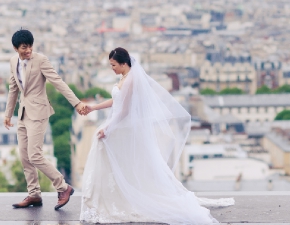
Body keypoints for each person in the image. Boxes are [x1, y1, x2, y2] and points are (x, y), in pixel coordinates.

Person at [80, 47, 234, 224]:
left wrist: (107, 128)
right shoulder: (125, 77)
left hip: (124, 127)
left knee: (114, 157)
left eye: (113, 65)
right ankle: (117, 196)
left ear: (123, 64)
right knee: (119, 161)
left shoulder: (130, 80)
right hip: (121, 125)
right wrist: (94, 107)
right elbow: (117, 102)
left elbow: (124, 110)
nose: (111, 68)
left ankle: (118, 197)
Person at [4, 29, 88, 210]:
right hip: (23, 114)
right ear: (15, 48)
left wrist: (76, 103)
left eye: (30, 47)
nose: (28, 51)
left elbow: (58, 82)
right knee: (25, 157)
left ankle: (63, 187)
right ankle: (34, 194)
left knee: (35, 155)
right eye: (24, 48)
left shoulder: (40, 60)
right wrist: (8, 114)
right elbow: (13, 89)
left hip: (39, 113)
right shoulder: (13, 62)